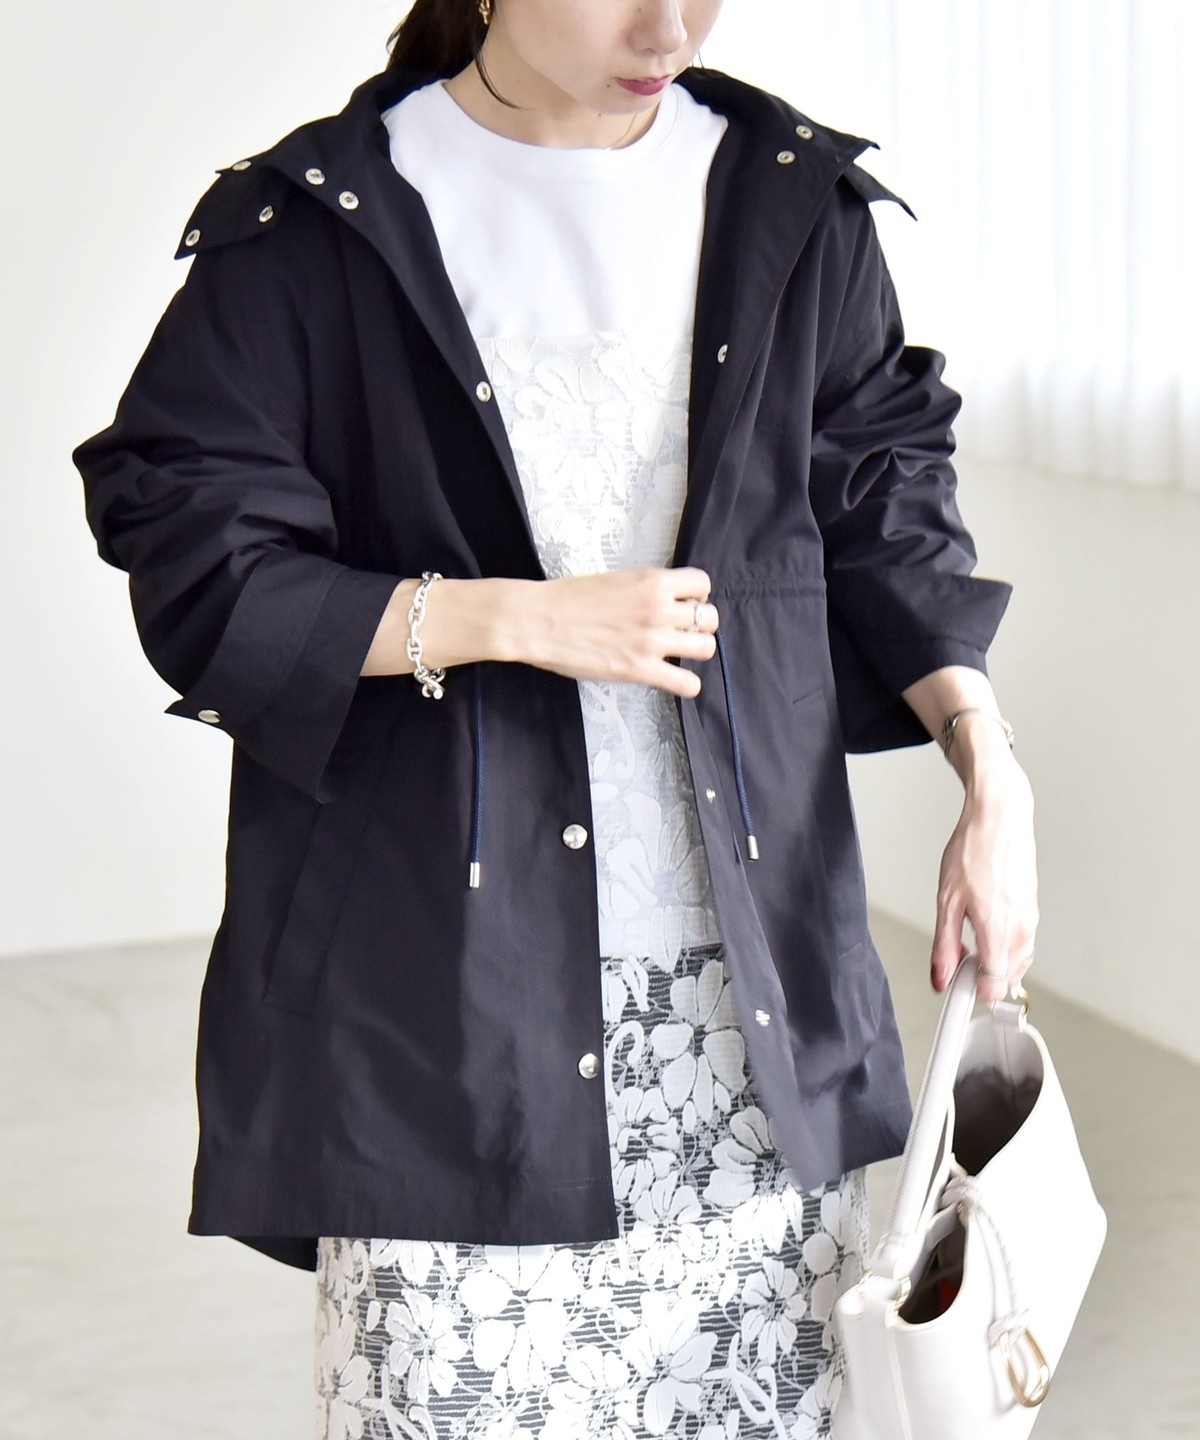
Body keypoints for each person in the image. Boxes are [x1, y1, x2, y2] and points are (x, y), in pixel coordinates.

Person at [73, 1, 1039, 1435]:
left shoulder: (791, 201)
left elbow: (885, 507)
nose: (669, 23)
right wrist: (514, 620)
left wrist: (990, 767)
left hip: (747, 1016)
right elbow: (202, 554)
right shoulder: (316, 225)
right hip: (443, 1009)